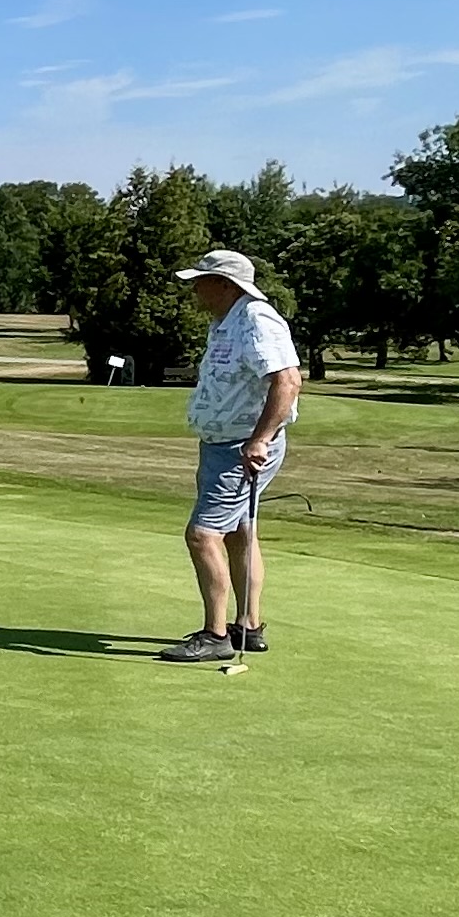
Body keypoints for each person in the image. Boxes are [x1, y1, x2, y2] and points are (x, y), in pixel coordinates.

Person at [159, 250, 302, 664]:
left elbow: (288, 382)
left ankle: (215, 634)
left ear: (225, 284)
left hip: (242, 447)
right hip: (224, 444)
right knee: (240, 531)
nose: (194, 289)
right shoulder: (226, 322)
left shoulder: (257, 319)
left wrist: (260, 439)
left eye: (200, 281)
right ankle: (248, 626)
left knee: (202, 535)